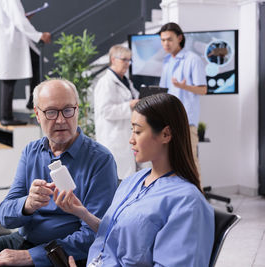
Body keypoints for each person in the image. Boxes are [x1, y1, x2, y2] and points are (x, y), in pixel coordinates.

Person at [0, 79, 118, 267]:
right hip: (22, 240)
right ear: (37, 113)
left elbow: (93, 234)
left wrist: (31, 256)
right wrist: (27, 204)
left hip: (62, 254)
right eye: (51, 112)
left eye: (68, 110)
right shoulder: (32, 151)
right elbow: (5, 215)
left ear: (78, 110)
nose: (61, 120)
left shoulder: (100, 160)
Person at [55, 93, 215, 266]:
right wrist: (83, 213)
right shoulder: (133, 181)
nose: (131, 140)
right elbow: (117, 234)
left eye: (138, 131)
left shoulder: (187, 202)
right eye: (132, 131)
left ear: (166, 134)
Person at [0, 0, 51, 126]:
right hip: (11, 40)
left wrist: (23, 17)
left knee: (32, 65)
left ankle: (30, 102)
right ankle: (7, 116)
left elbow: (12, 16)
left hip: (7, 39)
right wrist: (38, 36)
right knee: (9, 79)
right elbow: (18, 20)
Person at [159, 22, 207, 176]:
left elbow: (203, 89)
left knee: (190, 163)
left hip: (186, 122)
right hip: (167, 123)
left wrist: (183, 86)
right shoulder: (167, 61)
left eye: (169, 39)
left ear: (179, 38)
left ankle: (197, 199)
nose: (166, 44)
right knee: (170, 165)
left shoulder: (193, 59)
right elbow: (163, 91)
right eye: (163, 40)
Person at [94, 44, 139, 179]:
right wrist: (129, 105)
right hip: (113, 138)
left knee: (127, 176)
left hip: (125, 137)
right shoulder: (106, 82)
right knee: (116, 178)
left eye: (129, 60)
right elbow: (106, 111)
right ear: (113, 59)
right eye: (124, 60)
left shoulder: (126, 81)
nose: (127, 64)